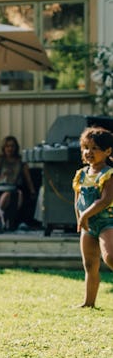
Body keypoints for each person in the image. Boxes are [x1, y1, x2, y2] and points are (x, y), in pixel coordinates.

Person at [72, 126, 113, 308]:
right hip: (88, 225)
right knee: (89, 264)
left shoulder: (108, 174)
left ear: (108, 151)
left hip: (107, 222)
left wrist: (85, 216)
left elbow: (105, 200)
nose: (89, 152)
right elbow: (77, 200)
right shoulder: (81, 174)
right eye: (85, 147)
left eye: (95, 148)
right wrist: (79, 218)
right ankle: (89, 303)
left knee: (110, 257)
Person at [0, 135, 36, 229]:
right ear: (4, 148)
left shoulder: (21, 161)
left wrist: (32, 191)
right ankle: (0, 216)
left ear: (16, 148)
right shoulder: (0, 160)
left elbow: (28, 178)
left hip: (16, 187)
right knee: (7, 195)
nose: (10, 148)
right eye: (7, 146)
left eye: (12, 146)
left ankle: (10, 221)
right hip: (1, 189)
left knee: (18, 194)